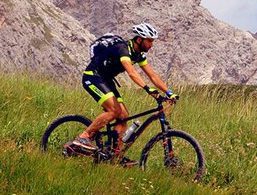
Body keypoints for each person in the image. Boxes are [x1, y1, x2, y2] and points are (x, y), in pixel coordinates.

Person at [70, 22, 178, 159]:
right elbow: (131, 72)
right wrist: (147, 89)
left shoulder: (138, 54)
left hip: (106, 80)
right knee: (114, 111)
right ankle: (83, 137)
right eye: (149, 41)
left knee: (123, 115)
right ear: (139, 39)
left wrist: (169, 92)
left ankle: (115, 155)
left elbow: (153, 76)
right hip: (93, 77)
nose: (151, 44)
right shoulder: (123, 49)